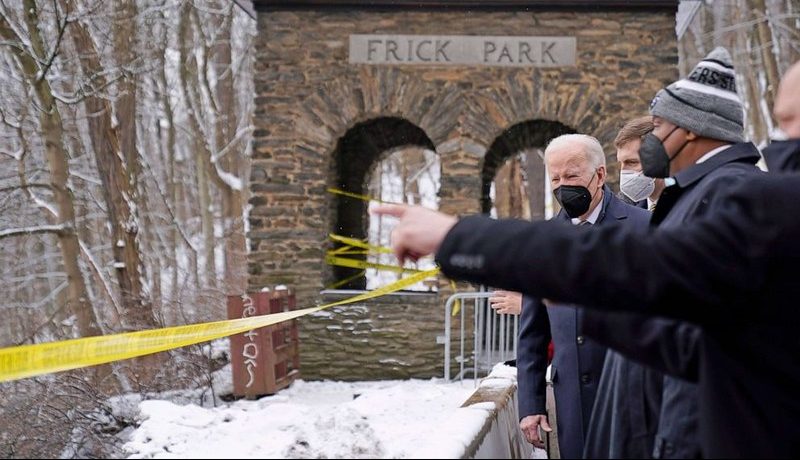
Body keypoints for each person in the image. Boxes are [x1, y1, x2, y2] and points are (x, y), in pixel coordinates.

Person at [372, 60, 800, 458]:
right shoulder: (722, 195)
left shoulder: (734, 195)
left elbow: (626, 265)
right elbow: (694, 341)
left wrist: (457, 235)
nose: (780, 139)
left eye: (789, 122)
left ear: (690, 128)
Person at [513, 135, 651, 459]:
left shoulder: (644, 228)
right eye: (556, 178)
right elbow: (532, 334)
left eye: (572, 176)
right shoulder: (543, 242)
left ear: (600, 175)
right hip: (573, 404)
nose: (563, 186)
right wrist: (530, 405)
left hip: (635, 402)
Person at [582, 116, 665, 459]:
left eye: (633, 163)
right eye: (621, 165)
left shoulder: (692, 210)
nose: (625, 174)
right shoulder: (626, 217)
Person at [616, 116, 665, 210]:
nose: (624, 171)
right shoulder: (621, 209)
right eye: (620, 164)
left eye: (632, 162)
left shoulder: (695, 206)